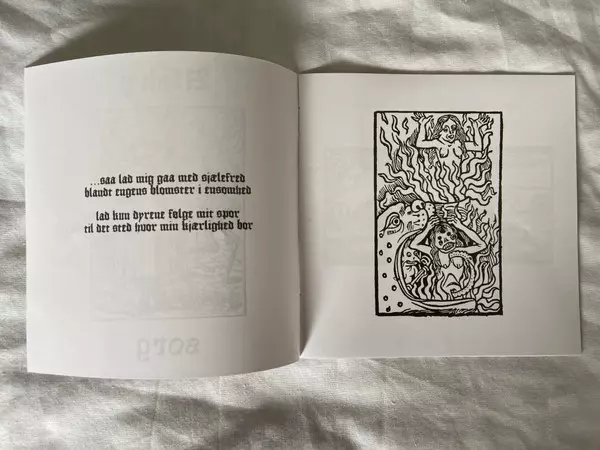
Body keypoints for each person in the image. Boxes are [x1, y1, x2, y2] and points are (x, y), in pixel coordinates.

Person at [410, 210, 485, 299]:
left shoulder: (460, 251)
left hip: (462, 292)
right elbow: (413, 244)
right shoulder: (435, 253)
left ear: (455, 236)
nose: (446, 241)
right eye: (440, 239)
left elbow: (482, 245)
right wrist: (427, 229)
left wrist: (461, 226)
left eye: (449, 235)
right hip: (441, 294)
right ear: (434, 243)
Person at [411, 112, 491, 171]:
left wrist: (476, 126)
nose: (450, 132)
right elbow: (419, 143)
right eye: (445, 129)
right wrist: (423, 124)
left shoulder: (459, 143)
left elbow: (478, 147)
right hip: (441, 181)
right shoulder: (437, 143)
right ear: (439, 131)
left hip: (458, 181)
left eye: (453, 128)